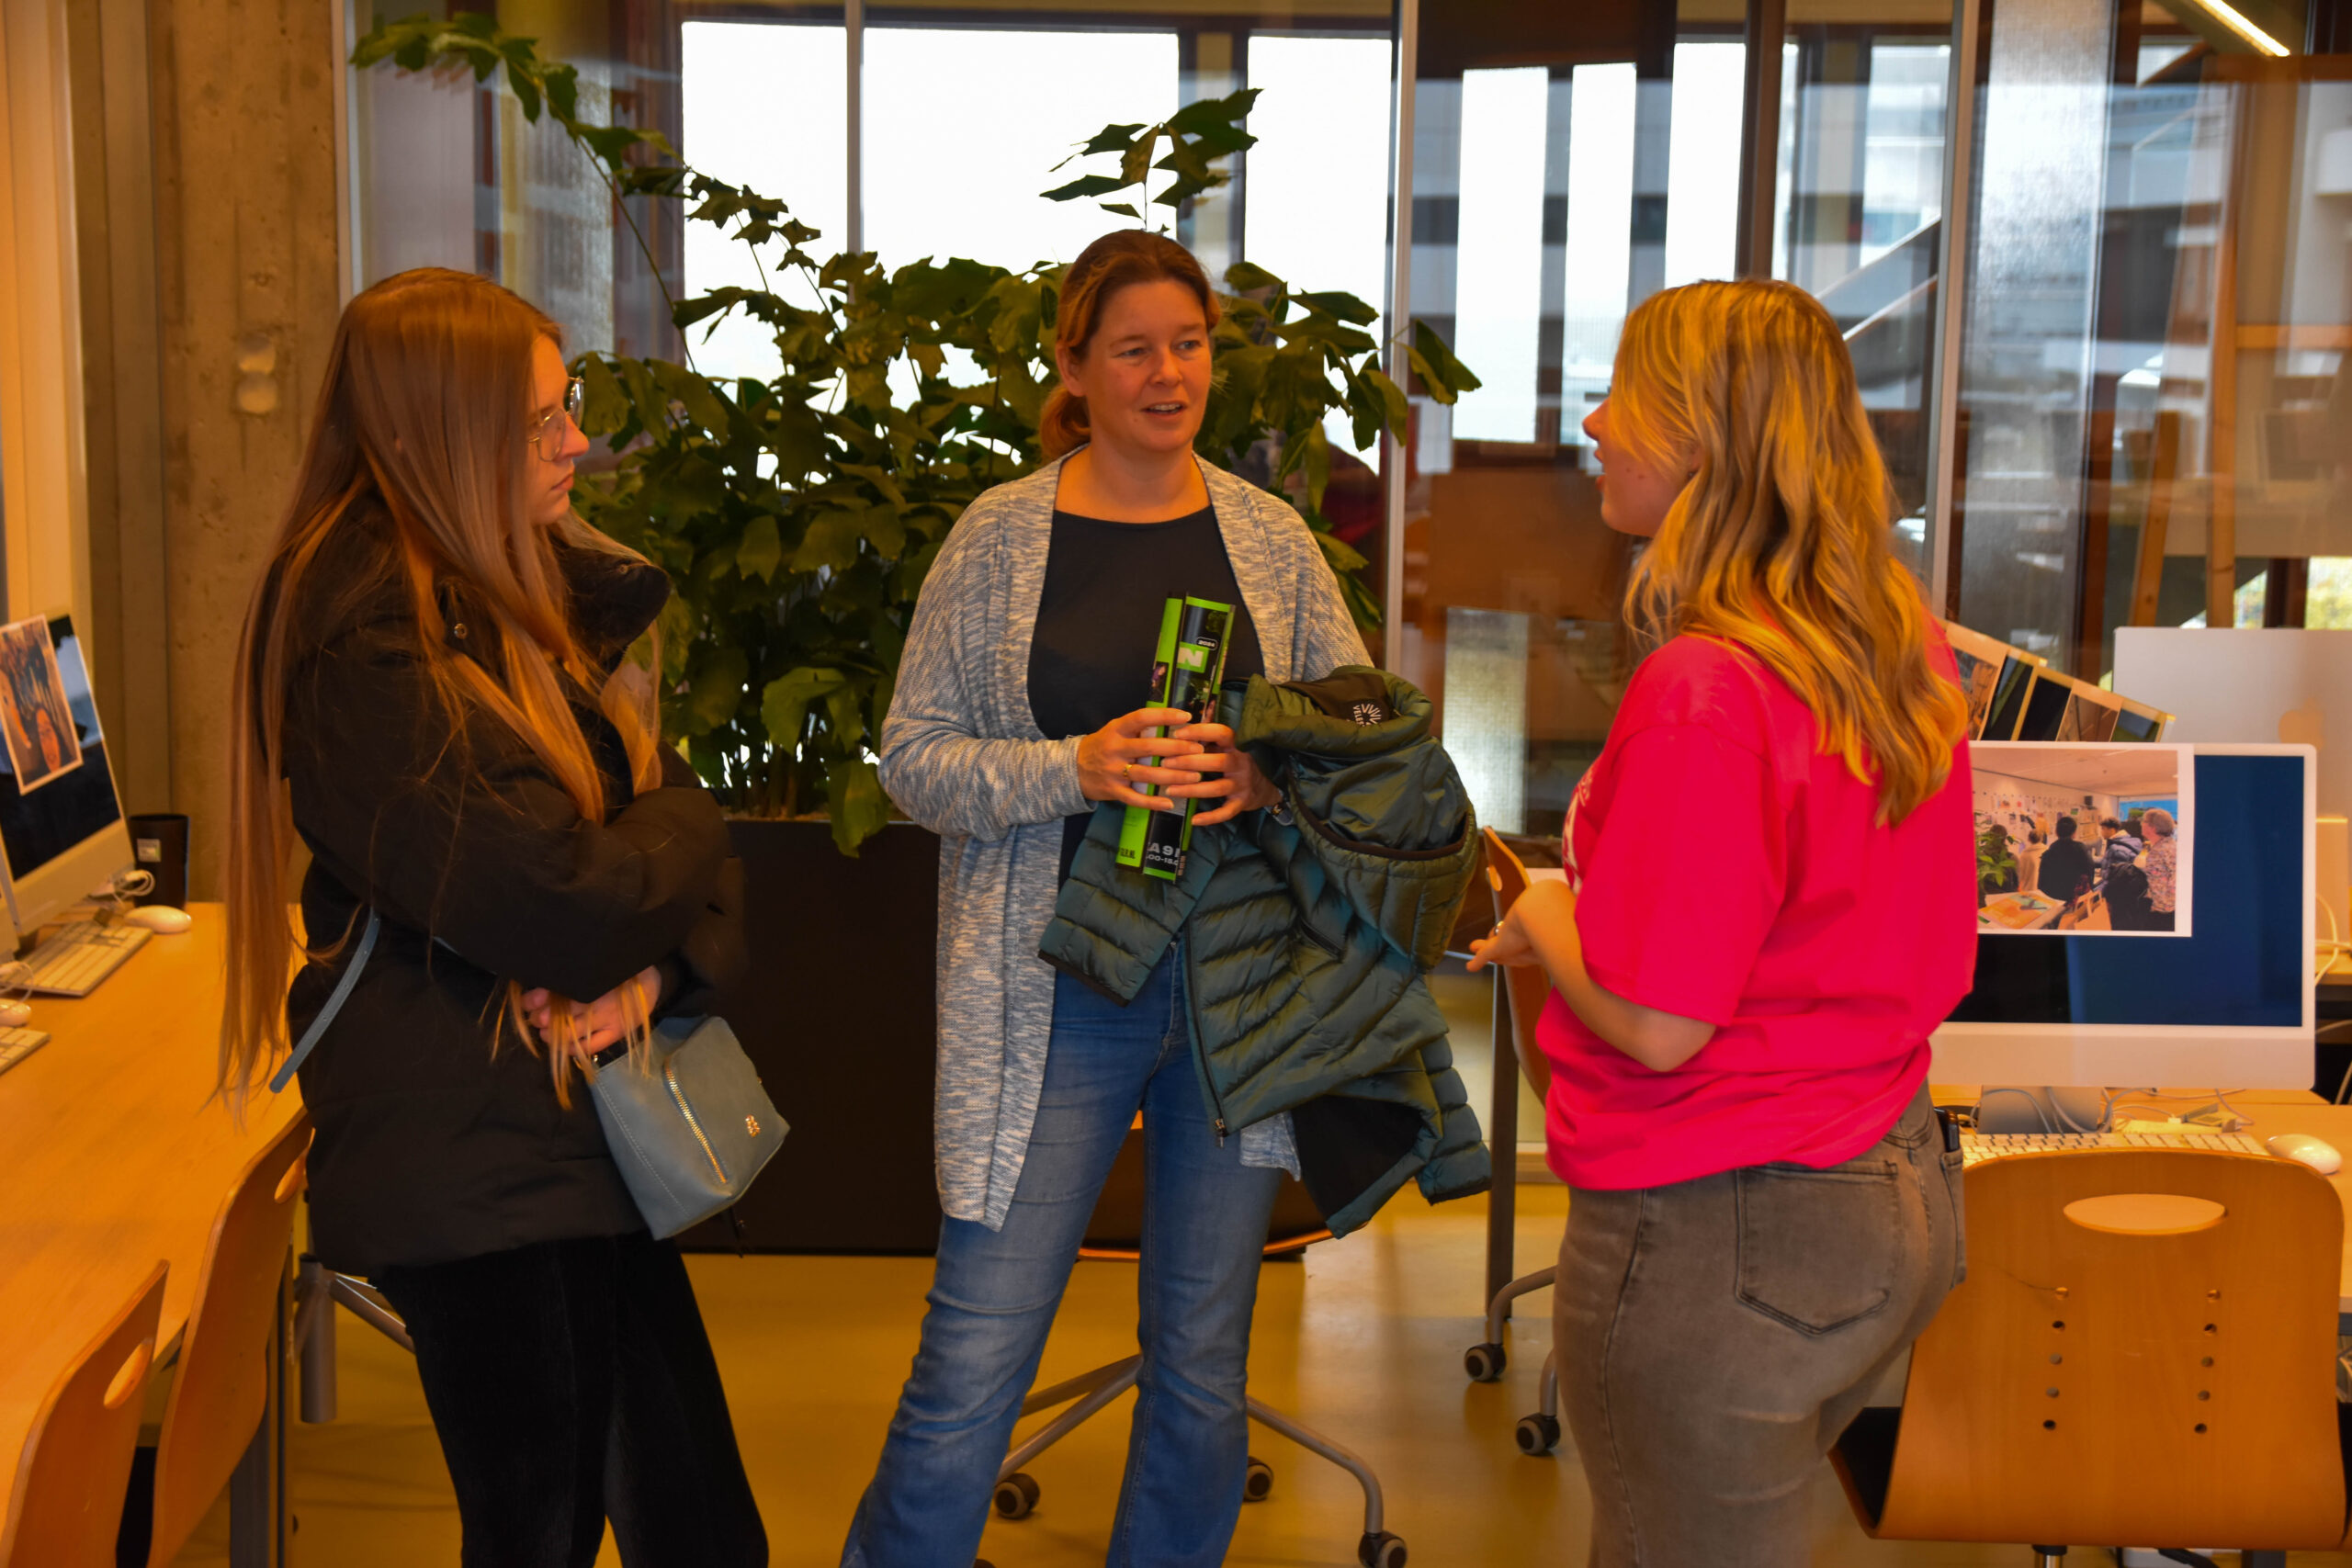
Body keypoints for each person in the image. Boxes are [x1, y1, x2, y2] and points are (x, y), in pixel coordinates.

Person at [219, 268, 765, 1568]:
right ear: (442, 436)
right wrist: (677, 835)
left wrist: (653, 970)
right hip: (473, 1153)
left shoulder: (505, 582)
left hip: (561, 1117)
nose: (576, 439)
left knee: (698, 1521)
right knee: (540, 1530)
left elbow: (649, 858)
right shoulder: (368, 642)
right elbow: (578, 901)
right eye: (540, 419)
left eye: (565, 406)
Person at [842, 230, 1367, 1568]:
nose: (1167, 374)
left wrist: (1266, 770)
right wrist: (1072, 767)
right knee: (977, 1346)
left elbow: (1356, 735)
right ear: (1074, 369)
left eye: (1187, 345)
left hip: (1234, 989)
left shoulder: (1270, 539)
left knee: (1201, 1357)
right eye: (1133, 349)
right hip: (1052, 995)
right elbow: (912, 761)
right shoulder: (999, 539)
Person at [1468, 278, 1974, 1566]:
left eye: (1622, 397)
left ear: (1701, 438)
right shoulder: (1894, 644)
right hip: (1888, 1186)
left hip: (1727, 1223)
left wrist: (1544, 903)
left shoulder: (1709, 685)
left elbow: (1659, 1022)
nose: (1593, 423)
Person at [2037, 816, 2096, 904]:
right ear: (2074, 833)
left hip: (2053, 902)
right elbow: (2090, 872)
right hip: (2074, 902)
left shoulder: (2048, 854)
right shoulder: (2081, 850)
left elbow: (2041, 884)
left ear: (2056, 832)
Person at [2142, 807, 2179, 931]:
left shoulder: (2158, 852)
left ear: (2153, 827)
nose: (2141, 823)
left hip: (2162, 913)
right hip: (2172, 909)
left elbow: (2159, 887)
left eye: (2144, 821)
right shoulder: (2170, 844)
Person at [2015, 828, 2045, 898]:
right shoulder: (2047, 851)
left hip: (2029, 890)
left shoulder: (2025, 855)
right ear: (2042, 838)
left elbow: (2020, 874)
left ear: (2029, 839)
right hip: (2045, 891)